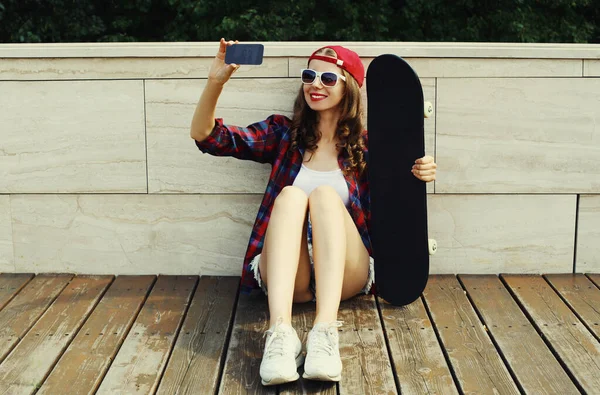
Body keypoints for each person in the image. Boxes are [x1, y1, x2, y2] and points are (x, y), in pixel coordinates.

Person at [190, 39, 437, 386]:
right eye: (309, 76)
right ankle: (280, 334)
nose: (315, 84)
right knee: (291, 196)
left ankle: (324, 333)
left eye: (328, 78)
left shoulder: (368, 148)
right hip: (289, 276)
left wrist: (421, 171)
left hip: (345, 272)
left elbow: (401, 191)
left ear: (349, 86)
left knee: (323, 196)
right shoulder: (283, 134)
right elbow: (207, 137)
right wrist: (216, 80)